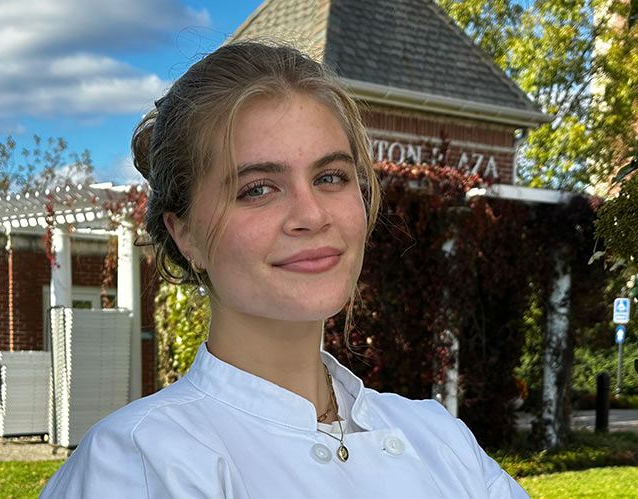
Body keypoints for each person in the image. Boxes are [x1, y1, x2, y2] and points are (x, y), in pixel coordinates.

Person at [41, 42, 528, 498]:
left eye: (331, 177)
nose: (312, 215)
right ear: (184, 232)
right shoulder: (137, 464)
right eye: (258, 188)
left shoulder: (438, 439)